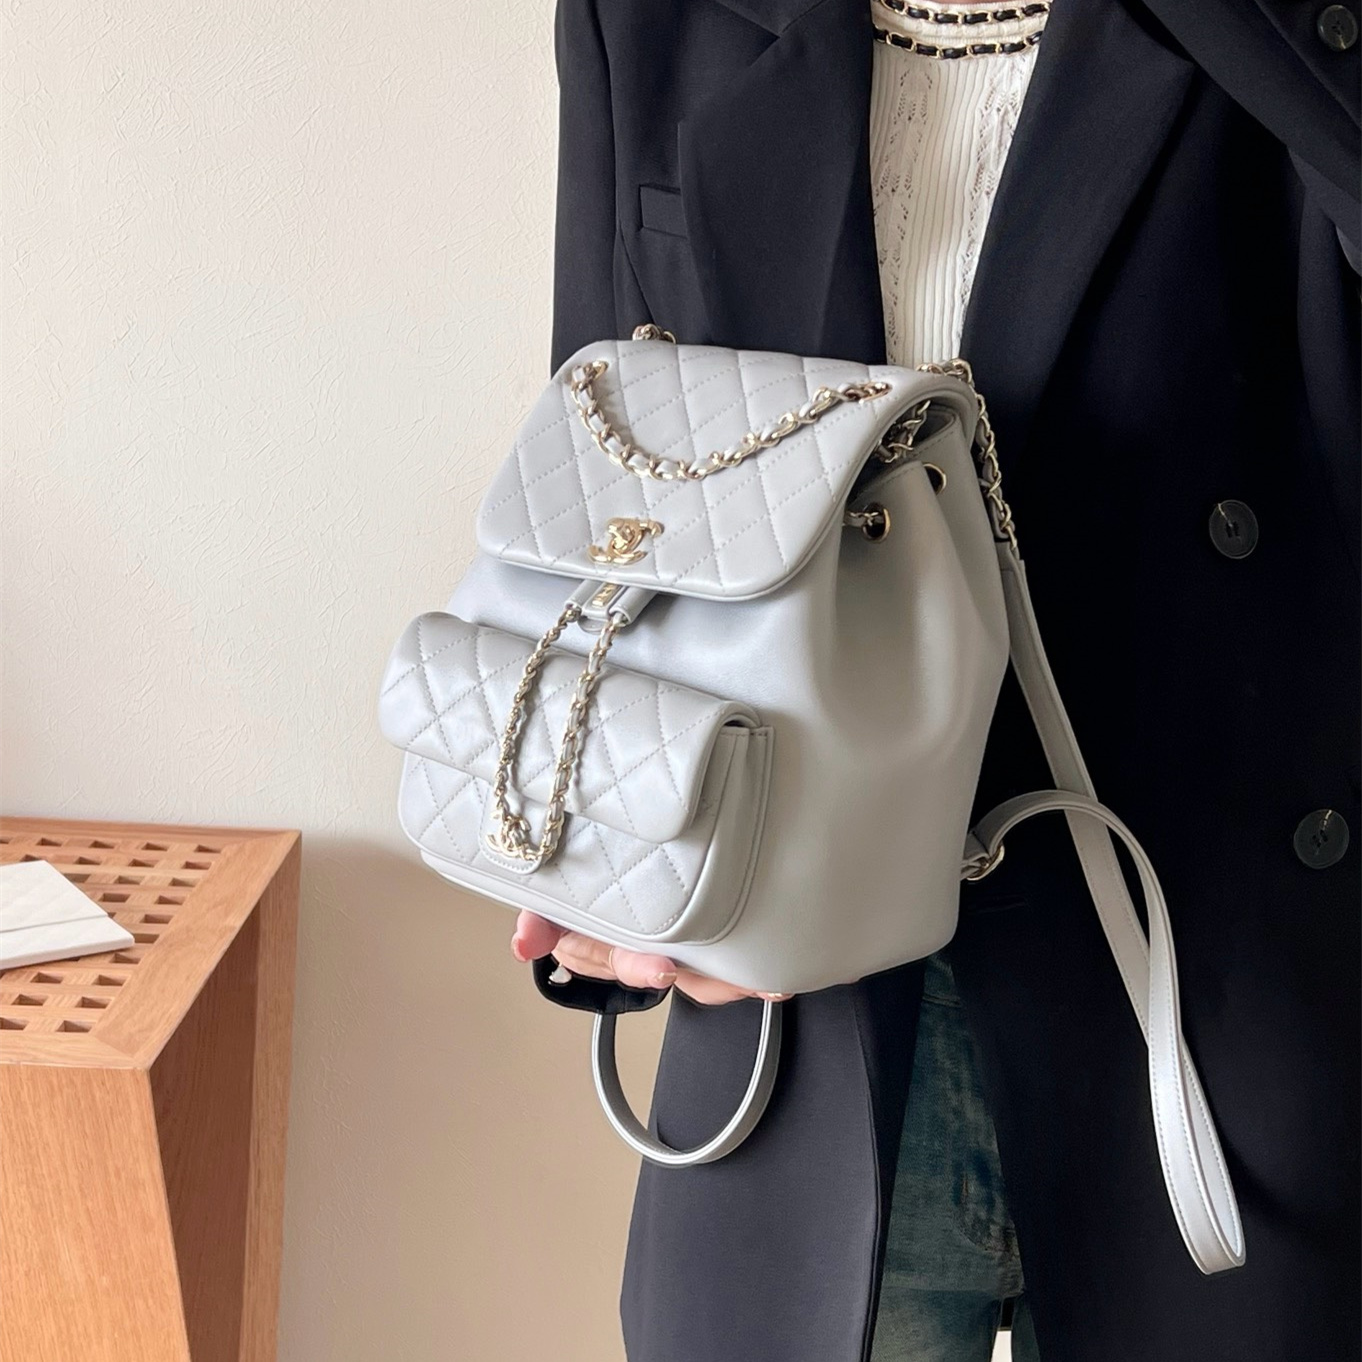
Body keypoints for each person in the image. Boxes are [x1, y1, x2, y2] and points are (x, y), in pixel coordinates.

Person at [510, 1, 1361, 1359]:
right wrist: (615, 856)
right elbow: (607, 479)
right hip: (805, 1022)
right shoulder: (655, 17)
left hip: (1216, 1012)